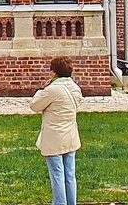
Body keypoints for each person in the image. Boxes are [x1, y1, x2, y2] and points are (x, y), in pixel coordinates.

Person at [30, 56, 82, 205]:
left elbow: (34, 105)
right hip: (70, 135)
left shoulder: (52, 90)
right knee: (70, 175)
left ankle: (60, 203)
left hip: (54, 137)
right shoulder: (75, 88)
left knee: (57, 175)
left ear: (54, 72)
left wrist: (41, 89)